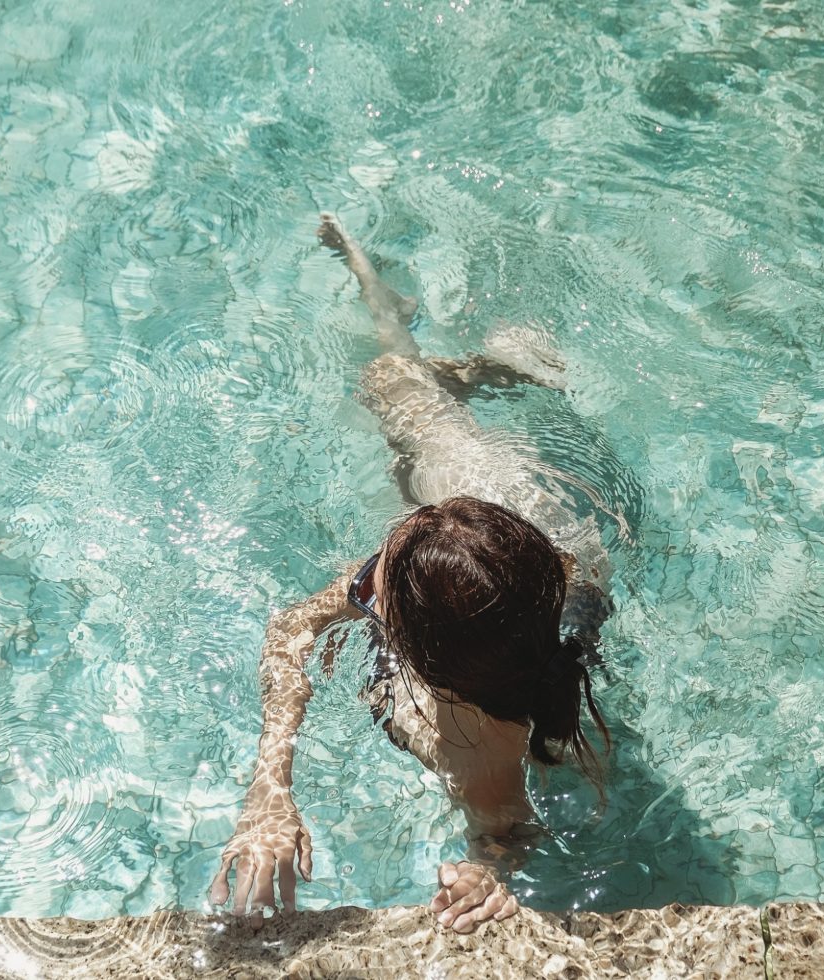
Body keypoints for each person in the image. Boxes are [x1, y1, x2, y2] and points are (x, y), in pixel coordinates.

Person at [209, 215, 614, 933]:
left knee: (396, 389)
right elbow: (292, 625)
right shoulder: (528, 578)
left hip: (521, 550)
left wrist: (488, 872)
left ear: (413, 649)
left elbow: (507, 831)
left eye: (375, 584)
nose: (359, 583)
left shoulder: (474, 751)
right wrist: (269, 792)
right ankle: (431, 343)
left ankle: (458, 365)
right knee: (388, 378)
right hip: (523, 519)